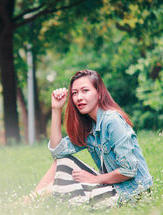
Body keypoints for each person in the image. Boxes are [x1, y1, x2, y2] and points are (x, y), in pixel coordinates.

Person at [32, 69, 152, 208]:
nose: (79, 97)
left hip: (131, 193)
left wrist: (95, 179)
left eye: (85, 90)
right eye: (75, 93)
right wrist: (56, 109)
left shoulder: (112, 121)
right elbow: (57, 151)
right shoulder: (89, 127)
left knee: (55, 190)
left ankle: (24, 205)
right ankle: (28, 202)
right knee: (62, 161)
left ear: (99, 93)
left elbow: (129, 170)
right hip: (112, 186)